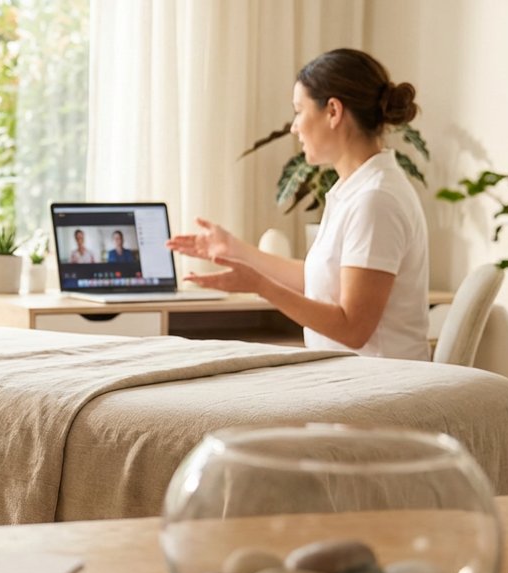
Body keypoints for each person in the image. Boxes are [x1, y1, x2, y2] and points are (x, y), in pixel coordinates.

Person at [166, 48, 430, 361]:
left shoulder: (376, 199)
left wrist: (260, 286)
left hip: (381, 390)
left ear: (333, 111)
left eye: (298, 110)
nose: (293, 127)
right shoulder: (355, 188)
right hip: (355, 381)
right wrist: (234, 250)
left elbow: (353, 329)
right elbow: (318, 279)